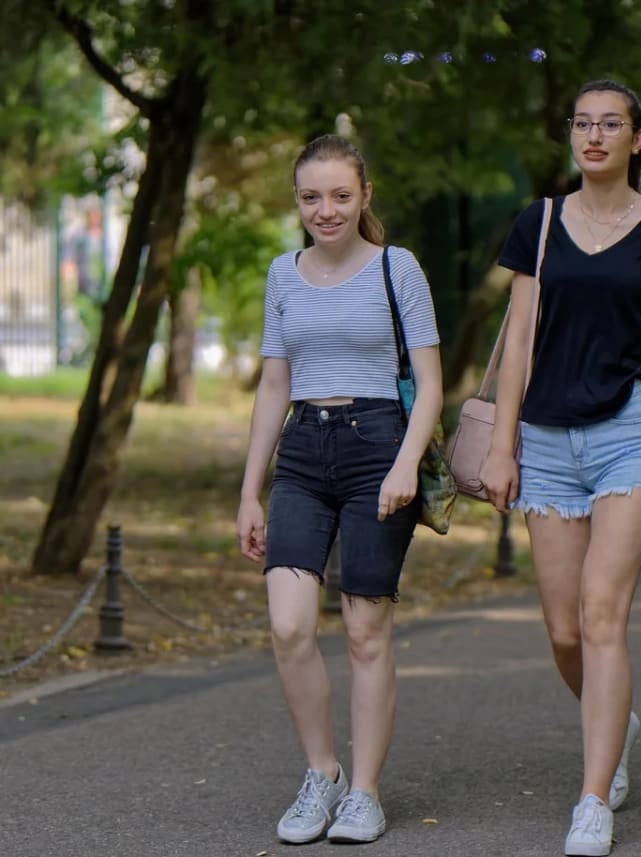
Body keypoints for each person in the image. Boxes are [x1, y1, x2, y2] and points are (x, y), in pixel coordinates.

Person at [482, 79, 641, 856]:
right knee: (564, 628)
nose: (594, 136)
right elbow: (518, 339)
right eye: (583, 123)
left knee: (603, 611)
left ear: (637, 139)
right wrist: (502, 444)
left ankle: (593, 797)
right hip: (543, 442)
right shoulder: (539, 223)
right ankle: (617, 721)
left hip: (627, 435)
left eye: (611, 124)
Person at [236, 134, 442, 845]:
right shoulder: (282, 273)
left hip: (378, 450)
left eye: (340, 196)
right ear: (297, 201)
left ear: (364, 197)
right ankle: (321, 772)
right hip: (301, 454)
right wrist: (250, 491)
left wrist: (406, 463)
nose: (326, 210)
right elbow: (274, 384)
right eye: (311, 197)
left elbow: (430, 382)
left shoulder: (396, 267)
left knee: (363, 630)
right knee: (289, 626)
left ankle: (364, 793)